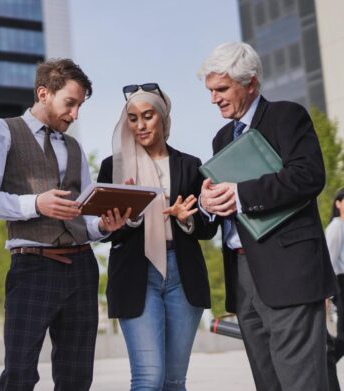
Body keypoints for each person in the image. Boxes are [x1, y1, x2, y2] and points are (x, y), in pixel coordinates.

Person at [0, 58, 130, 391]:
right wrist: (34, 204)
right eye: (69, 104)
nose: (74, 115)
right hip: (32, 266)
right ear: (43, 93)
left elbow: (83, 217)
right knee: (19, 375)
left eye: (79, 106)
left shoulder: (73, 146)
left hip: (82, 267)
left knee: (76, 378)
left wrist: (103, 226)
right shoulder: (2, 130)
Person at [198, 41, 337, 390]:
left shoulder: (287, 116)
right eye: (210, 90)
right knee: (269, 384)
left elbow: (308, 176)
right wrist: (208, 202)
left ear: (251, 83)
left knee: (301, 383)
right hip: (243, 278)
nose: (214, 98)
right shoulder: (220, 138)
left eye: (221, 89)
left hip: (289, 272)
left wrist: (241, 195)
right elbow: (225, 203)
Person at [98, 84, 215, 390]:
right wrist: (132, 214)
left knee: (174, 381)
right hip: (136, 275)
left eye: (147, 116)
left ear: (163, 118)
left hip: (183, 274)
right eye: (133, 118)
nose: (140, 125)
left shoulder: (191, 165)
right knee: (149, 378)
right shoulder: (114, 167)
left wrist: (188, 220)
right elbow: (105, 230)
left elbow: (208, 226)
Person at [326, 188, 344, 389]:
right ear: (338, 203)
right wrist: (327, 291)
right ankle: (324, 362)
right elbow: (328, 259)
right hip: (340, 283)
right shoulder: (336, 227)